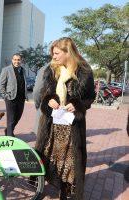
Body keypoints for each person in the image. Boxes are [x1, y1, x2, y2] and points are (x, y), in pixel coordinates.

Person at [35, 37, 95, 199]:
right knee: (50, 159)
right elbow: (43, 95)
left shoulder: (85, 72)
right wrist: (49, 100)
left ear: (68, 52)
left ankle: (65, 192)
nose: (53, 57)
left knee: (70, 163)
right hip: (52, 126)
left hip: (72, 127)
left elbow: (90, 97)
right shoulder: (51, 70)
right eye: (53, 54)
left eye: (56, 53)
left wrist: (78, 104)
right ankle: (44, 187)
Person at [0, 53, 27, 137]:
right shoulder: (6, 70)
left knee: (17, 117)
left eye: (18, 60)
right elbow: (1, 85)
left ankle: (8, 130)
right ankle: (9, 137)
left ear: (21, 61)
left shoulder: (23, 70)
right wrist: (5, 95)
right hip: (11, 98)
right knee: (11, 119)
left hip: (21, 98)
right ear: (12, 60)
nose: (16, 61)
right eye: (15, 59)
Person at [32, 64, 47, 135]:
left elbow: (37, 90)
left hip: (47, 109)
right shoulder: (75, 67)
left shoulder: (45, 68)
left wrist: (38, 105)